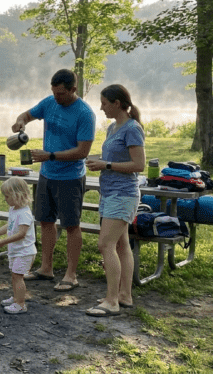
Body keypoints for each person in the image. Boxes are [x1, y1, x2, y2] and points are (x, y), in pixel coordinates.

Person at [12, 69, 95, 292]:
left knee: (71, 225)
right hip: (47, 174)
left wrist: (50, 155)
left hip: (70, 176)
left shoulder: (84, 113)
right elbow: (27, 115)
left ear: (73, 90)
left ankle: (71, 274)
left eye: (61, 94)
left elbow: (83, 151)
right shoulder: (49, 103)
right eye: (54, 93)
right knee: (46, 221)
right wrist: (20, 122)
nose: (56, 97)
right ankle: (46, 268)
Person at [84, 84, 146, 316]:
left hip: (123, 194)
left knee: (105, 244)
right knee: (121, 244)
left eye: (104, 103)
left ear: (117, 103)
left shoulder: (132, 128)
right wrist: (100, 162)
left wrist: (106, 165)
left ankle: (111, 302)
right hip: (110, 192)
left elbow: (138, 165)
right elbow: (117, 158)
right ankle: (124, 295)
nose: (101, 108)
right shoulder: (113, 128)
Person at [0, 176, 36, 314]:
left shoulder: (25, 213)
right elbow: (10, 225)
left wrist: (3, 242)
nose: (5, 199)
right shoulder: (14, 209)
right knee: (14, 275)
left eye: (7, 196)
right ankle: (16, 298)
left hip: (24, 252)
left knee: (18, 277)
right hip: (15, 250)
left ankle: (20, 304)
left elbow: (21, 234)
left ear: (17, 195)